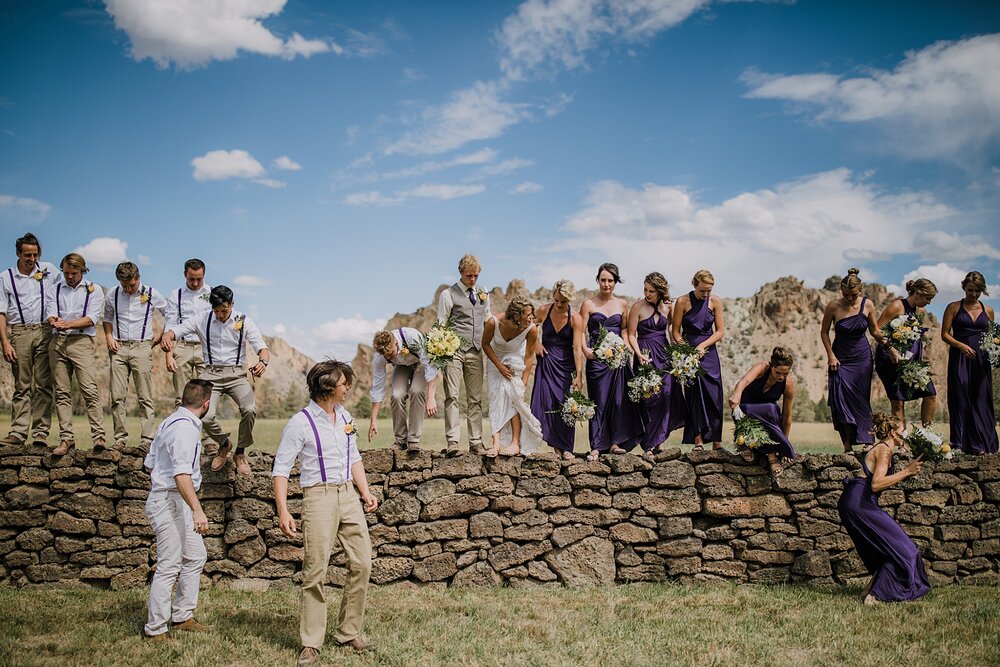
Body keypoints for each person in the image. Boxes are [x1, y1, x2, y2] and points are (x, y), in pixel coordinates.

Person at [272, 360, 378, 663]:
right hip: (318, 498)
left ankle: (348, 631)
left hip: (347, 494)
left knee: (363, 563)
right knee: (315, 570)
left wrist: (365, 491)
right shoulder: (299, 423)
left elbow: (354, 456)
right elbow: (280, 470)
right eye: (344, 383)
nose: (348, 388)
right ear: (328, 387)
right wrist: (283, 510)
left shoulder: (344, 416)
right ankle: (311, 641)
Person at [161, 285, 268, 476]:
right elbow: (177, 330)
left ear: (232, 304)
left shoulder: (243, 321)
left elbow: (261, 347)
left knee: (250, 409)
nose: (219, 314)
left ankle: (240, 452)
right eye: (216, 311)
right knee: (205, 416)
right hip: (210, 374)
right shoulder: (202, 319)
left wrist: (263, 361)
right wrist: (168, 335)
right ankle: (224, 444)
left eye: (224, 310)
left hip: (236, 374)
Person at [141, 379, 213, 641]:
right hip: (171, 500)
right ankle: (155, 629)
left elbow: (150, 465)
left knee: (195, 556)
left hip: (175, 498)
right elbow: (182, 474)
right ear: (206, 404)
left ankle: (182, 615)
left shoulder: (169, 422)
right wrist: (197, 509)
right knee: (170, 564)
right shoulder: (185, 430)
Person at [838, 412, 929, 604]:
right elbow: (876, 484)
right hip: (859, 504)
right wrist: (906, 472)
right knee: (906, 549)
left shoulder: (883, 448)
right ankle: (875, 596)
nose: (906, 436)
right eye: (903, 432)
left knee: (892, 549)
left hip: (860, 503)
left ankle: (871, 590)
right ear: (894, 434)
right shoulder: (885, 450)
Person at [0, 232, 59, 447]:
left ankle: (41, 433)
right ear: (18, 253)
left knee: (44, 384)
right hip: (19, 332)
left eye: (35, 255)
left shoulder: (50, 270)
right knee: (22, 384)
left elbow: (68, 286)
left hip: (45, 331)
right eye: (27, 255)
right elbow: (1, 313)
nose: (32, 259)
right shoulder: (5, 277)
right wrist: (5, 342)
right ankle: (17, 433)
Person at [45, 253, 106, 454]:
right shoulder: (54, 289)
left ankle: (99, 437)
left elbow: (91, 318)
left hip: (81, 341)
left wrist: (68, 323)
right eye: (66, 273)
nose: (69, 277)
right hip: (58, 341)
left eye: (74, 273)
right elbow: (51, 313)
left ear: (82, 270)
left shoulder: (94, 290)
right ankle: (66, 439)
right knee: (61, 392)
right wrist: (54, 321)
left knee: (89, 389)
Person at [820, 268, 887, 453]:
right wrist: (830, 355)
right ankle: (847, 445)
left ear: (861, 290)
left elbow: (874, 331)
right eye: (846, 295)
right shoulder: (833, 306)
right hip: (839, 357)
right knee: (839, 400)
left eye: (853, 295)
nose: (850, 299)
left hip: (862, 358)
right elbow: (824, 332)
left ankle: (867, 440)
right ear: (841, 291)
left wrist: (891, 342)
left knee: (861, 400)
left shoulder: (868, 305)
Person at [103, 261, 168, 450]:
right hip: (119, 347)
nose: (129, 289)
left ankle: (147, 439)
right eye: (125, 286)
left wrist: (163, 334)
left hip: (142, 347)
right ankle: (120, 438)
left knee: (144, 396)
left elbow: (170, 314)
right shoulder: (113, 295)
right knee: (117, 396)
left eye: (132, 285)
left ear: (138, 278)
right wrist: (108, 337)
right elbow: (107, 318)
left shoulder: (151, 293)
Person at [581, 263, 642, 461]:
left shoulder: (622, 304)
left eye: (610, 280)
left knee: (618, 401)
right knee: (598, 401)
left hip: (618, 360)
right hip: (597, 361)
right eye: (603, 280)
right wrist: (585, 350)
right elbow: (581, 331)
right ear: (598, 280)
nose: (606, 284)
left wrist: (625, 346)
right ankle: (597, 446)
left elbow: (624, 330)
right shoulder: (588, 304)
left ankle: (615, 442)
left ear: (616, 282)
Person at [626, 272, 686, 456]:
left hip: (664, 355)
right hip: (645, 355)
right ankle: (649, 443)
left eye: (651, 291)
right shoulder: (637, 307)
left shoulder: (669, 306)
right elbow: (630, 335)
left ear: (660, 291)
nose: (647, 294)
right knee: (649, 398)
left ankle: (659, 441)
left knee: (666, 395)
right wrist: (637, 354)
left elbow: (671, 329)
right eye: (645, 290)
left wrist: (679, 349)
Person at [437, 254, 490, 456]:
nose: (473, 280)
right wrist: (442, 352)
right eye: (469, 276)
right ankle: (453, 442)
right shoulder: (448, 294)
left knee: (475, 398)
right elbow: (441, 324)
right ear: (461, 273)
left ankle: (476, 442)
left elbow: (488, 319)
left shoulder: (484, 293)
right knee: (452, 395)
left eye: (476, 275)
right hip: (453, 352)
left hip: (476, 351)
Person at [941, 271, 997, 455]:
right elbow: (945, 334)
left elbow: (992, 336)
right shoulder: (953, 307)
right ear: (964, 287)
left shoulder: (988, 310)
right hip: (960, 359)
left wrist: (995, 348)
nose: (973, 294)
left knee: (981, 399)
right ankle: (959, 444)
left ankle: (983, 444)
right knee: (960, 398)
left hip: (982, 361)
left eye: (978, 291)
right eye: (970, 290)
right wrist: (961, 346)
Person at [530, 280, 585, 460]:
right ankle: (556, 448)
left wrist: (579, 375)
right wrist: (536, 343)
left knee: (566, 407)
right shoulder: (544, 310)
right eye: (556, 300)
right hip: (546, 363)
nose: (559, 304)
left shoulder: (576, 318)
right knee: (545, 404)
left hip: (566, 366)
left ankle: (567, 447)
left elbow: (577, 349)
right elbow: (529, 326)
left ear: (570, 300)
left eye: (563, 302)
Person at [671, 269, 725, 451]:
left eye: (709, 290)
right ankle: (698, 441)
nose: (706, 294)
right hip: (689, 355)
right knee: (694, 396)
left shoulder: (715, 301)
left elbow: (720, 331)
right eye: (703, 290)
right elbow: (676, 332)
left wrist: (703, 346)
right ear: (694, 285)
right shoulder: (682, 302)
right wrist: (686, 350)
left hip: (710, 353)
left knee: (715, 395)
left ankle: (717, 442)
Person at [874, 278, 938, 431]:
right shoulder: (897, 306)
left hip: (910, 363)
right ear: (917, 293)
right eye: (927, 298)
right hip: (890, 360)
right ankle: (902, 442)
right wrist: (891, 349)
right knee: (898, 402)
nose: (929, 302)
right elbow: (876, 330)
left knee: (930, 394)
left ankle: (927, 436)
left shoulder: (918, 310)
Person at [483, 296, 543, 457]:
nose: (532, 318)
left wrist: (523, 381)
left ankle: (515, 443)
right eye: (528, 315)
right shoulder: (493, 322)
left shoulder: (531, 329)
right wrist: (499, 366)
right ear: (517, 316)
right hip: (495, 361)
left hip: (515, 360)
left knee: (514, 398)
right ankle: (495, 443)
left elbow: (529, 356)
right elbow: (485, 344)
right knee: (495, 398)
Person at [728, 347, 798, 477]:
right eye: (778, 373)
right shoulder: (761, 368)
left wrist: (783, 441)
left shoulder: (788, 385)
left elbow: (787, 416)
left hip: (767, 416)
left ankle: (772, 457)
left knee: (771, 409)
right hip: (745, 411)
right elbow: (744, 381)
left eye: (786, 374)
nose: (781, 377)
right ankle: (746, 445)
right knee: (746, 410)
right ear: (772, 366)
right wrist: (736, 395)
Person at [367, 327, 438, 452]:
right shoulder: (380, 356)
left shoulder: (412, 337)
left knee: (416, 390)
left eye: (391, 353)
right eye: (386, 355)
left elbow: (430, 367)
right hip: (402, 366)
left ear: (395, 343)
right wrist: (373, 420)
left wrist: (431, 397)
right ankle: (400, 441)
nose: (389, 357)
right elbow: (377, 387)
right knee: (396, 395)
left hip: (421, 362)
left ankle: (413, 440)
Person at [164, 259, 211, 412]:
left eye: (199, 279)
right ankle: (181, 433)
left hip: (204, 350)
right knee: (181, 397)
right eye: (192, 279)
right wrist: (169, 356)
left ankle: (205, 437)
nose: (196, 283)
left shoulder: (211, 293)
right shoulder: (175, 295)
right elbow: (170, 325)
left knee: (206, 398)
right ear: (185, 275)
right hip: (182, 348)